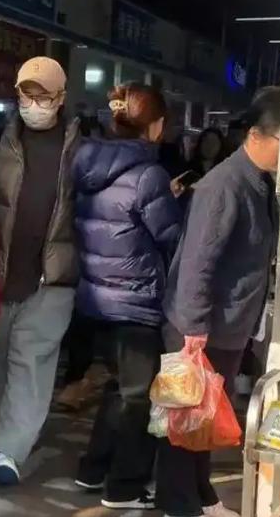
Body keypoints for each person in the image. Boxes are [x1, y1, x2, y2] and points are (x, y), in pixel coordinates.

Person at [157, 87, 280, 517]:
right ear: (255, 135)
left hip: (227, 325)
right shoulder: (224, 186)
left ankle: (201, 494)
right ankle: (179, 503)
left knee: (207, 417)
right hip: (200, 326)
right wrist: (193, 329)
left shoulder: (258, 182)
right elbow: (197, 263)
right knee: (185, 420)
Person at [72, 82, 181, 510]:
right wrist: (173, 202)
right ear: (154, 125)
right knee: (139, 398)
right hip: (136, 300)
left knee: (119, 388)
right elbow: (170, 236)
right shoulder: (149, 175)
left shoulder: (87, 163)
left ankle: (93, 468)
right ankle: (124, 485)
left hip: (97, 298)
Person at [0, 56, 80, 485]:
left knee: (31, 364)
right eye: (27, 94)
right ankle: (9, 430)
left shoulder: (81, 149)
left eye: (43, 96)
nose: (34, 104)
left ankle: (6, 451)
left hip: (52, 279)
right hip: (0, 276)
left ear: (61, 98)